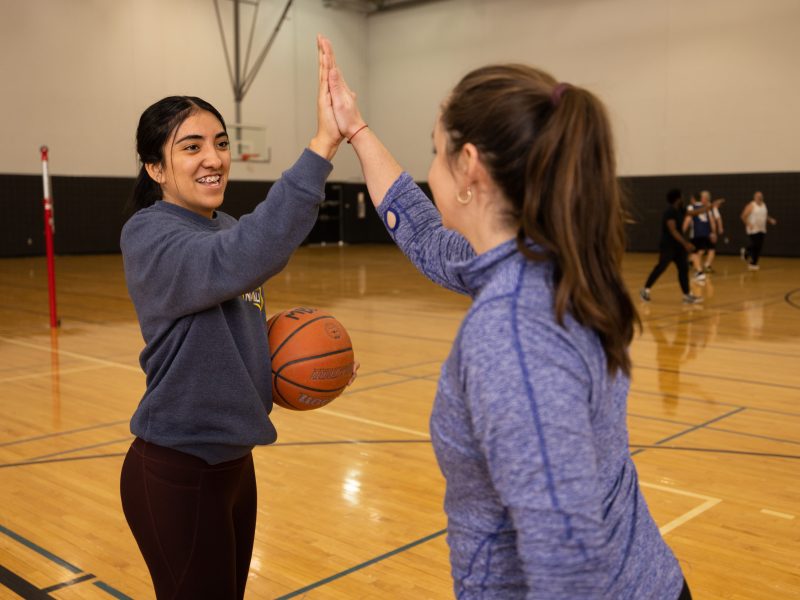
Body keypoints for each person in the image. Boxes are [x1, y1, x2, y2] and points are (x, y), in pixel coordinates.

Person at [321, 36, 692, 600]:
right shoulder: (543, 261)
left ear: (468, 167)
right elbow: (423, 233)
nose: (430, 170)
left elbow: (566, 566)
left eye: (435, 152)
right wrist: (355, 129)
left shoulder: (513, 334)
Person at [119, 37, 354, 599]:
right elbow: (249, 252)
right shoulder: (150, 234)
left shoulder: (225, 227)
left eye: (220, 144)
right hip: (178, 466)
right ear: (156, 166)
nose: (213, 158)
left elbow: (233, 336)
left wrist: (312, 365)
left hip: (235, 464)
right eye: (191, 146)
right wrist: (323, 143)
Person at [641, 189, 720, 304]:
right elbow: (673, 231)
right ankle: (645, 289)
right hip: (668, 245)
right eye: (681, 197)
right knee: (661, 267)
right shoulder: (669, 212)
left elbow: (694, 213)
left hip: (678, 246)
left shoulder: (680, 210)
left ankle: (687, 295)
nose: (683, 199)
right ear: (677, 199)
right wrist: (686, 243)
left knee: (683, 269)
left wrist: (710, 207)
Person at [740, 191, 777, 270]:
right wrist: (748, 224)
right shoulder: (751, 205)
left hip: (762, 229)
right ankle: (746, 250)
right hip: (753, 229)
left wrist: (770, 220)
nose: (759, 197)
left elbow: (765, 215)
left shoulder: (764, 205)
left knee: (759, 247)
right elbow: (743, 216)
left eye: (761, 196)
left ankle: (753, 263)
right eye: (758, 196)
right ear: (754, 197)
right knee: (755, 244)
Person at [682, 191, 713, 283]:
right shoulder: (706, 207)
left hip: (696, 233)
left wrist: (681, 230)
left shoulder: (691, 207)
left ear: (693, 199)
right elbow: (711, 220)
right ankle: (698, 269)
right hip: (706, 233)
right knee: (699, 251)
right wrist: (712, 232)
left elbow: (688, 219)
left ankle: (699, 272)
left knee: (694, 253)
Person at [701, 190, 724, 273]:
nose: (701, 199)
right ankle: (692, 262)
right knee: (701, 249)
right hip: (702, 231)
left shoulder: (712, 208)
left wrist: (720, 228)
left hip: (710, 231)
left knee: (711, 248)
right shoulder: (699, 207)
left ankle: (707, 265)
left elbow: (718, 218)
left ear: (707, 199)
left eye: (703, 198)